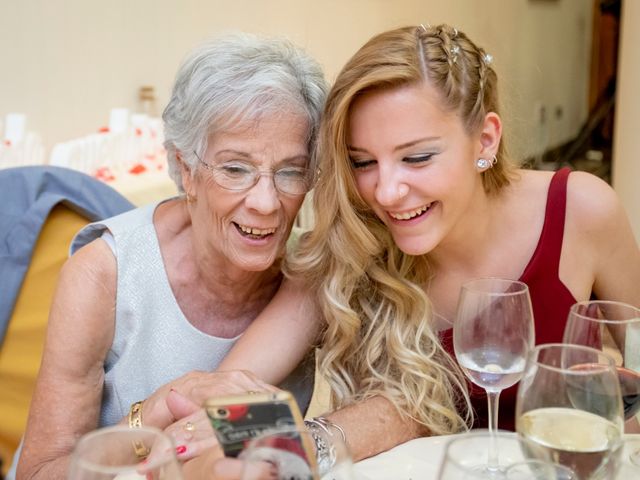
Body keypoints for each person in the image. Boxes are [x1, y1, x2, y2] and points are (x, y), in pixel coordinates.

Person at [214, 22, 640, 448]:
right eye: (363, 163)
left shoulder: (582, 211)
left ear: (486, 141)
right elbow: (223, 402)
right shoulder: (351, 245)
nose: (386, 191)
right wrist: (304, 441)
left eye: (416, 157)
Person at [13, 32, 327, 480]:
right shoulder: (102, 276)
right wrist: (157, 410)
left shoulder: (308, 279)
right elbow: (39, 473)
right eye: (235, 168)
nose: (266, 202)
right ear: (185, 169)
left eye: (290, 172)